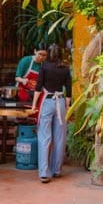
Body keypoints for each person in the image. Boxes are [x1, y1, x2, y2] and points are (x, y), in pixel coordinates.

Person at [32, 43, 71, 183]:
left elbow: (38, 87)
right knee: (60, 138)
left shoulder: (44, 67)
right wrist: (67, 107)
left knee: (44, 137)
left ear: (48, 54)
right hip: (60, 102)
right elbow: (69, 90)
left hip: (47, 102)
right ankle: (57, 170)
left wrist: (34, 105)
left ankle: (44, 173)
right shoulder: (65, 68)